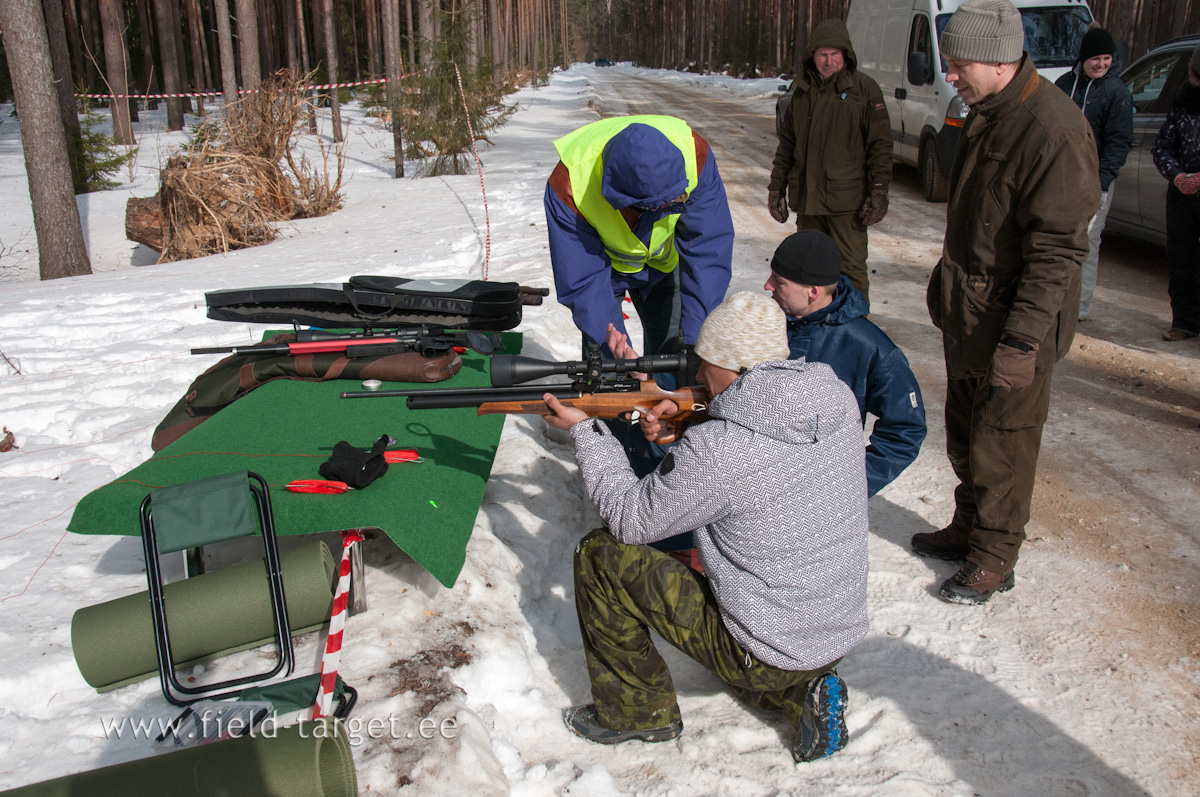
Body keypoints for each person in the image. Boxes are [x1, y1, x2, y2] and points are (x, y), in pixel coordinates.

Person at [542, 292, 868, 763]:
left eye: (705, 362)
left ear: (733, 365)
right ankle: (805, 690)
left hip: (766, 649)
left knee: (602, 554)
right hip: (834, 631)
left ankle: (638, 714)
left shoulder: (721, 450)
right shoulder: (833, 399)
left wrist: (587, 431)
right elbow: (757, 458)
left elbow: (630, 519)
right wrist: (673, 415)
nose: (697, 374)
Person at [916, 0, 1100, 604]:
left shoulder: (1053, 131)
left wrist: (1022, 340)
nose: (950, 76)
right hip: (972, 314)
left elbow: (1057, 254)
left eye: (959, 65)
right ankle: (970, 527)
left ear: (999, 61)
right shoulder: (986, 113)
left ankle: (995, 555)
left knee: (1004, 441)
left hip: (1015, 325)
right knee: (966, 433)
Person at [545, 115, 734, 357]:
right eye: (644, 207)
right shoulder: (570, 183)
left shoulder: (695, 157)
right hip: (602, 274)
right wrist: (616, 347)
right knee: (608, 362)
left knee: (677, 357)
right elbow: (582, 277)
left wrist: (696, 341)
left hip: (663, 267)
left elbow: (708, 249)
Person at [765, 230, 926, 497]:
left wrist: (849, 486)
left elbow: (905, 429)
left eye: (779, 281)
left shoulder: (869, 347)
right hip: (758, 484)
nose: (767, 285)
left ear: (812, 292)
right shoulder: (762, 326)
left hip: (818, 497)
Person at [768, 18, 893, 305]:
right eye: (822, 54)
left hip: (847, 204)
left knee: (851, 269)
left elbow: (881, 145)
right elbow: (787, 146)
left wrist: (879, 190)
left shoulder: (864, 89)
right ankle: (815, 324)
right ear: (812, 56)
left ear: (846, 55)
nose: (829, 61)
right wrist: (777, 187)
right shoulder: (801, 93)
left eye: (835, 53)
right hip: (809, 202)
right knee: (808, 272)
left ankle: (855, 324)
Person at [1054, 27, 1134, 321]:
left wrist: (1102, 183)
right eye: (1095, 58)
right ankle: (1053, 300)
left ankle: (1080, 306)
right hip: (1061, 176)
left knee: (1087, 242)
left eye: (1106, 58)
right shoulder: (1064, 85)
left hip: (1096, 179)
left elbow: (1119, 141)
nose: (1101, 64)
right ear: (1083, 58)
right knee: (1055, 239)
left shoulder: (1117, 92)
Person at [1151, 44, 1200, 343]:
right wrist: (1177, 176)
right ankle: (1184, 321)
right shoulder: (1183, 100)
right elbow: (1162, 146)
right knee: (1181, 259)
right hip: (1182, 195)